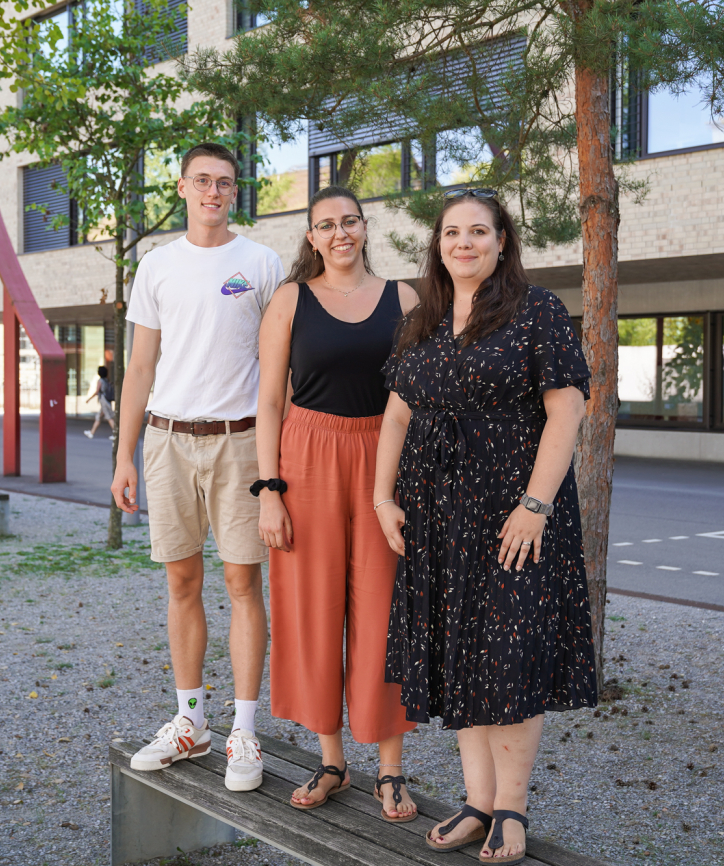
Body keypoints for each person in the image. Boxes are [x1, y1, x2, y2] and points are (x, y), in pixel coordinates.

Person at [373, 189, 596, 863]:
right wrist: (382, 496)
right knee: (460, 656)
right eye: (452, 233)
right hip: (438, 519)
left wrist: (534, 506)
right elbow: (398, 414)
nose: (464, 242)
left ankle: (512, 809)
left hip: (513, 518)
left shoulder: (537, 311)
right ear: (438, 245)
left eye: (478, 231)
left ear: (503, 242)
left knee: (511, 660)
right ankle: (476, 801)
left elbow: (568, 410)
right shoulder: (425, 319)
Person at [111, 142, 285, 793]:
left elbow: (278, 374)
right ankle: (191, 722)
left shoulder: (260, 264)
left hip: (240, 443)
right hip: (166, 442)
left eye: (225, 183)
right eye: (203, 181)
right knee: (181, 583)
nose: (214, 192)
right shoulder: (156, 267)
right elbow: (139, 369)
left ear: (234, 193)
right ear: (182, 187)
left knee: (243, 583)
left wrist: (275, 469)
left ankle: (244, 729)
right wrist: (123, 455)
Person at [256, 186, 421, 821]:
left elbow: (414, 398)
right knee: (313, 607)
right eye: (326, 225)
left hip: (383, 457)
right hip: (308, 458)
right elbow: (270, 402)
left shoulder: (403, 298)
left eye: (349, 221)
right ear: (311, 237)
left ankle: (390, 769)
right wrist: (270, 492)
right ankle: (331, 759)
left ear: (364, 227)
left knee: (385, 611)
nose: (340, 233)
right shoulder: (290, 300)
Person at [83, 365, 118, 440]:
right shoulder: (106, 380)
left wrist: (89, 399)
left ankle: (116, 433)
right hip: (106, 400)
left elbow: (97, 391)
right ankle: (92, 432)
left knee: (109, 417)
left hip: (103, 400)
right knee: (99, 417)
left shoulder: (100, 381)